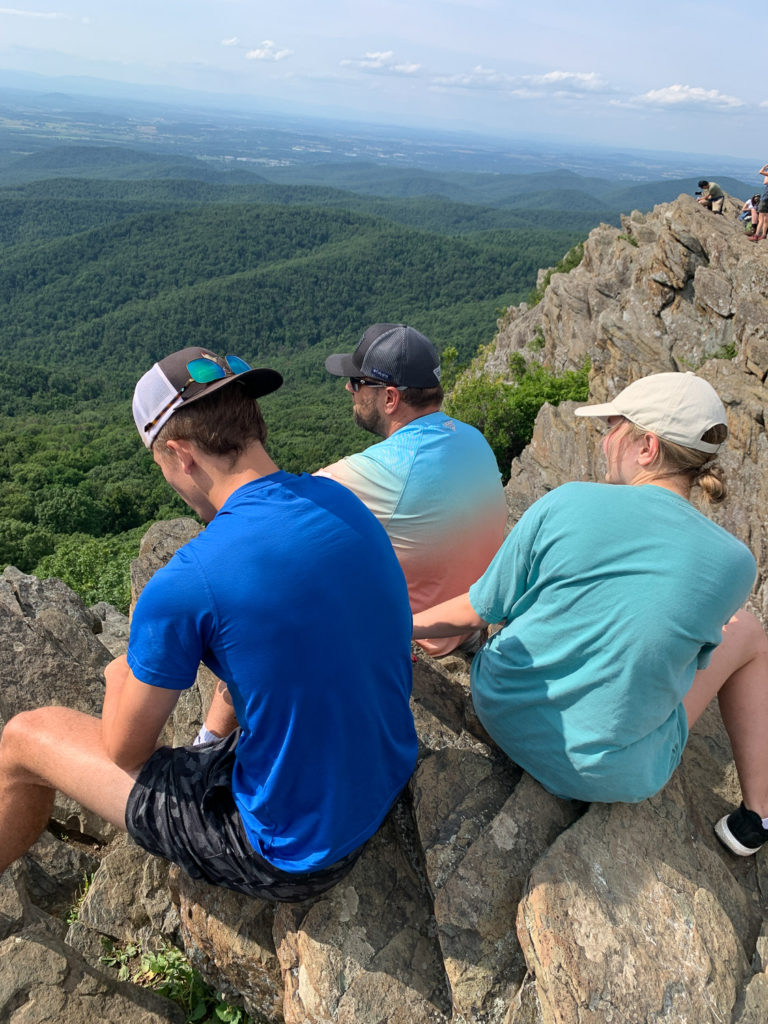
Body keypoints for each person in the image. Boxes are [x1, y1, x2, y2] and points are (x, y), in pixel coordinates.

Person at [0, 347, 419, 899]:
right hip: (385, 778)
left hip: (289, 850)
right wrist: (208, 736)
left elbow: (126, 752)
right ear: (254, 421)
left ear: (180, 455)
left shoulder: (188, 581)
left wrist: (116, 676)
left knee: (23, 739)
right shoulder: (342, 504)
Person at [413, 371, 768, 857]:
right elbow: (687, 663)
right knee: (747, 630)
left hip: (499, 710)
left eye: (613, 427)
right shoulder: (734, 565)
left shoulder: (566, 501)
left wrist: (402, 626)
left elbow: (480, 607)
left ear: (646, 447)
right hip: (612, 775)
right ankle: (756, 818)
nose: (605, 441)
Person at [317, 323, 507, 657]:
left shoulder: (378, 470)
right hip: (473, 625)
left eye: (358, 382)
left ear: (390, 398)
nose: (349, 388)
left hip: (424, 642)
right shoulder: (473, 438)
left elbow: (279, 513)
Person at [748, 164, 768, 242]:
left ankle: (756, 236)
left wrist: (765, 166)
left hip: (765, 199)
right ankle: (763, 235)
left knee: (761, 219)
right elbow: (765, 182)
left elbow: (760, 172)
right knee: (766, 219)